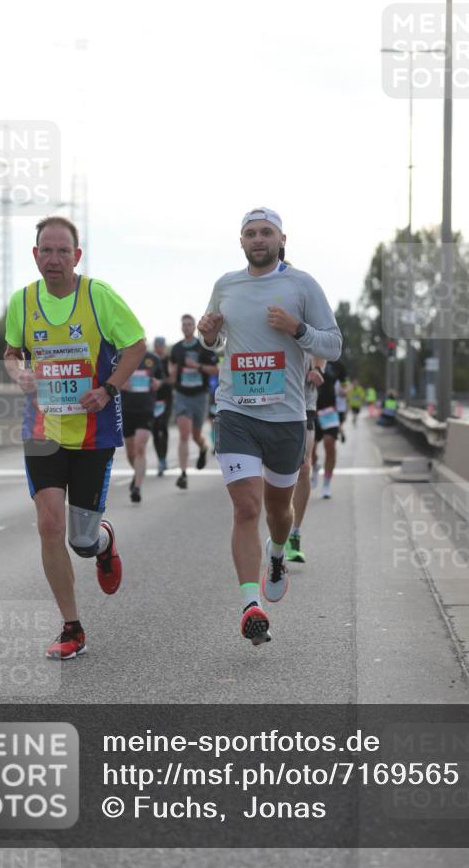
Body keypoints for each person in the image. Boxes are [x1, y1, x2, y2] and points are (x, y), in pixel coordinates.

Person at [3, 216, 146, 660]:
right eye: (46, 250)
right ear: (35, 255)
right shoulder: (23, 301)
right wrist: (19, 372)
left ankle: (102, 542)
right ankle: (72, 627)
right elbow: (11, 352)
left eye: (63, 251)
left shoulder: (97, 296)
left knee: (80, 542)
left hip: (93, 432)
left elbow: (136, 345)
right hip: (43, 429)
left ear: (77, 256)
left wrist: (107, 389)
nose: (54, 259)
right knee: (49, 524)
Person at [197, 207, 342, 645]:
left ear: (282, 239)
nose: (257, 239)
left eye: (266, 232)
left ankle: (277, 552)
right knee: (246, 508)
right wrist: (207, 334)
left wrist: (297, 330)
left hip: (286, 417)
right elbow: (215, 341)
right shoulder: (226, 285)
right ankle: (249, 603)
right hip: (236, 412)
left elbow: (333, 345)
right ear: (240, 242)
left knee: (279, 512)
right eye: (249, 233)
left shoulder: (302, 285)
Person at [169, 314, 219, 490]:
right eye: (184, 324)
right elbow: (173, 372)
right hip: (182, 394)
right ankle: (183, 474)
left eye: (190, 324)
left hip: (200, 395)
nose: (187, 327)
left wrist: (197, 366)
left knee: (196, 434)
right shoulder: (176, 349)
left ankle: (203, 447)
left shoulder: (203, 347)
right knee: (184, 433)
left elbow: (215, 370)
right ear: (181, 327)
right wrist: (171, 375)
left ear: (194, 327)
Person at [285, 357, 325, 564]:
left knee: (303, 467)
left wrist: (318, 368)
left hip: (303, 399)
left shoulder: (310, 322)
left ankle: (294, 534)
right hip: (268, 397)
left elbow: (325, 339)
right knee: (273, 468)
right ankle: (277, 526)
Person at [121, 348, 165, 502]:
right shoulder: (121, 357)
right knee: (130, 452)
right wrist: (120, 384)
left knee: (140, 448)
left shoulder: (153, 358)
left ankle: (137, 488)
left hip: (146, 409)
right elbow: (108, 379)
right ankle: (137, 473)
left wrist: (158, 383)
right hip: (126, 409)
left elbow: (162, 379)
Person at [312, 359, 348, 499]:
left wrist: (344, 390)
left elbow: (345, 384)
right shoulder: (308, 356)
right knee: (310, 450)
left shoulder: (337, 364)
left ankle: (326, 484)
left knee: (329, 444)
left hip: (330, 412)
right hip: (311, 411)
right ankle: (314, 466)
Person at [151, 336, 172, 475]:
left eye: (161, 345)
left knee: (162, 427)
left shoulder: (168, 360)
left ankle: (164, 458)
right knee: (154, 429)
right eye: (156, 345)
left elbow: (172, 378)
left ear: (164, 346)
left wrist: (161, 382)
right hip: (152, 399)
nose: (159, 348)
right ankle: (160, 459)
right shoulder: (150, 360)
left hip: (166, 398)